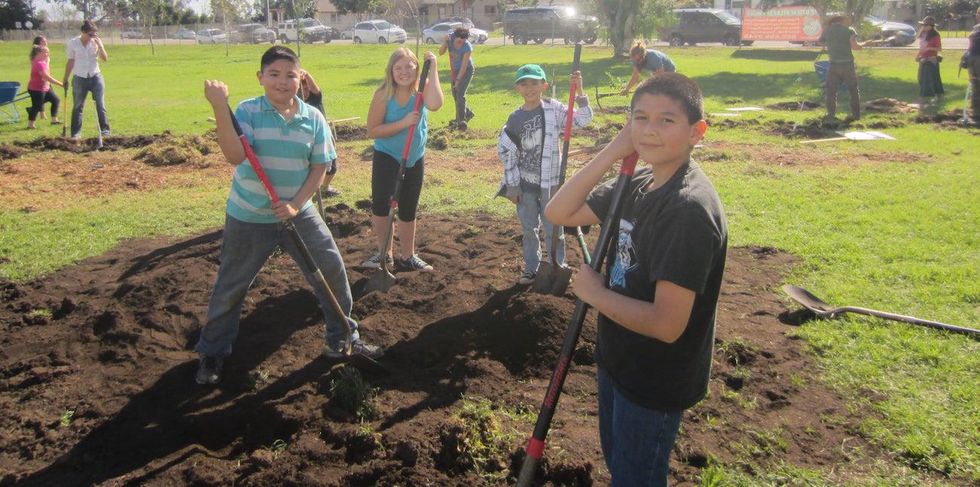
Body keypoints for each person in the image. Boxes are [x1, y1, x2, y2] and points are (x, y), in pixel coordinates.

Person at [544, 73, 727, 486]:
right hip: (619, 358)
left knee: (635, 478)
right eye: (640, 118)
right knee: (621, 467)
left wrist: (595, 294)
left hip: (654, 377)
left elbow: (667, 324)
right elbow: (559, 212)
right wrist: (613, 150)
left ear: (697, 132)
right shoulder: (639, 181)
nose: (649, 130)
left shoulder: (686, 211)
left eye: (667, 120)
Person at [195, 46, 382, 385]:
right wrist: (220, 106)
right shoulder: (247, 111)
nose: (282, 82)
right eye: (274, 74)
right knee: (231, 285)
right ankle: (213, 352)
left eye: (290, 75)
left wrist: (296, 203)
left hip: (299, 212)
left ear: (301, 78)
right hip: (249, 215)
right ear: (260, 77)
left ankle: (342, 337)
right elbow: (235, 155)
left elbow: (320, 167)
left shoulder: (313, 118)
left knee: (330, 269)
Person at [497, 64, 592, 285]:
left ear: (544, 86)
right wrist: (512, 186)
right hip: (525, 186)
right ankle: (531, 268)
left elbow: (582, 120)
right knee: (529, 228)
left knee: (554, 227)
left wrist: (579, 90)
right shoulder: (515, 118)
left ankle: (558, 265)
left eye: (534, 83)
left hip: (551, 184)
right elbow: (507, 152)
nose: (529, 88)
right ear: (517, 88)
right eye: (524, 83)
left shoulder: (553, 110)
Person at [360, 48, 443, 272]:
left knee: (408, 207)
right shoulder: (383, 95)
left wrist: (434, 68)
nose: (404, 72)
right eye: (398, 68)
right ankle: (384, 254)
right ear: (391, 71)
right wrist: (403, 123)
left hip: (414, 158)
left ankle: (408, 256)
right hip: (387, 156)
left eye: (409, 66)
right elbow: (372, 130)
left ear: (418, 69)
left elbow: (435, 104)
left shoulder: (422, 90)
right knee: (382, 205)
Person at [63, 20, 110, 140]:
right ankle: (76, 134)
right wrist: (65, 78)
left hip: (95, 76)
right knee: (78, 106)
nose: (92, 37)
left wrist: (100, 46)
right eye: (90, 34)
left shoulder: (95, 43)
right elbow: (70, 61)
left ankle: (105, 131)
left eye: (94, 34)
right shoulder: (73, 43)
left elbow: (105, 59)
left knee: (100, 105)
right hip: (79, 77)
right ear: (83, 32)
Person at [298, 69, 340, 197]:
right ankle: (306, 191)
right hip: (305, 139)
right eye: (301, 90)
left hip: (323, 137)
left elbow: (315, 88)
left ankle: (325, 187)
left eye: (306, 89)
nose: (305, 93)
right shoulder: (296, 105)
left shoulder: (315, 99)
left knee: (331, 166)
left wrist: (306, 74)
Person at [820, 15, 871, 121]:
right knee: (853, 91)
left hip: (833, 65)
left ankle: (831, 116)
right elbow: (855, 47)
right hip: (848, 65)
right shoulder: (849, 30)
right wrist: (865, 43)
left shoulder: (827, 31)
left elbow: (821, 42)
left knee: (831, 92)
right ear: (843, 21)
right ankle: (856, 116)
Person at [439, 27, 475, 130]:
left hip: (466, 70)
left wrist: (458, 80)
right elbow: (441, 52)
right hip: (454, 70)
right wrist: (445, 43)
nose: (461, 44)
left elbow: (464, 66)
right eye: (459, 41)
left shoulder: (467, 47)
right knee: (455, 95)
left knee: (460, 94)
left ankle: (461, 121)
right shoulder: (450, 39)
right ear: (455, 37)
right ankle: (468, 112)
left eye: (463, 41)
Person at [27, 43, 63, 129]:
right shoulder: (38, 63)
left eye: (48, 52)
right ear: (38, 53)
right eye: (45, 52)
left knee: (56, 100)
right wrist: (60, 84)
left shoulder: (43, 62)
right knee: (37, 106)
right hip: (36, 89)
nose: (47, 54)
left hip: (45, 88)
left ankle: (54, 120)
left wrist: (47, 61)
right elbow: (46, 77)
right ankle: (30, 125)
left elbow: (47, 73)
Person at [915, 16, 945, 106]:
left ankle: (925, 97)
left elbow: (939, 48)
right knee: (921, 78)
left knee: (930, 79)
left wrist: (929, 48)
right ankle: (930, 97)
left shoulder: (935, 35)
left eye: (925, 25)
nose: (923, 27)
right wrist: (918, 55)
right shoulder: (924, 34)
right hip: (923, 59)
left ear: (930, 26)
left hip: (931, 60)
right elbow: (921, 46)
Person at [964, 8, 980, 124]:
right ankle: (975, 111)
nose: (978, 15)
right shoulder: (976, 28)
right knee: (974, 84)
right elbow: (970, 45)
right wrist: (965, 56)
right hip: (972, 58)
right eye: (978, 13)